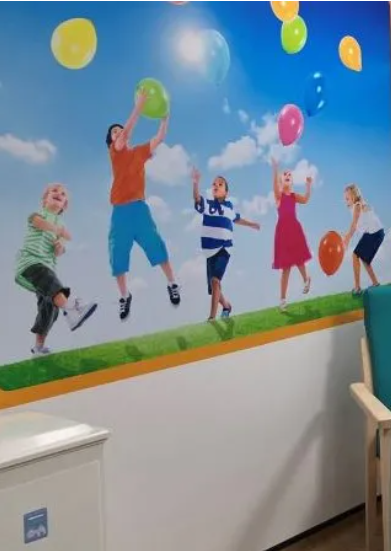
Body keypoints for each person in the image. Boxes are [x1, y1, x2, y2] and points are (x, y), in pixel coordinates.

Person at [106, 88, 178, 321]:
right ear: (112, 141)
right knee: (118, 256)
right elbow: (127, 131)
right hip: (120, 212)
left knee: (156, 245)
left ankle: (172, 283)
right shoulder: (115, 153)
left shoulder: (138, 153)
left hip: (139, 209)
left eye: (120, 130)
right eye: (115, 133)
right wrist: (139, 105)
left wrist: (165, 118)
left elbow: (160, 138)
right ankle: (124, 296)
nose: (120, 134)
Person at [14, 183, 97, 355]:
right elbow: (39, 224)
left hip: (47, 266)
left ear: (64, 205)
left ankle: (38, 347)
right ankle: (73, 310)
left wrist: (60, 246)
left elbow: (60, 249)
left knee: (48, 307)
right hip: (30, 263)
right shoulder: (38, 215)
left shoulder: (60, 225)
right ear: (44, 200)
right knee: (53, 284)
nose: (58, 193)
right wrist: (59, 231)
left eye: (63, 194)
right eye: (54, 191)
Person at [191, 168, 260, 321]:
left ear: (226, 192)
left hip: (224, 249)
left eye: (220, 184)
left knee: (216, 281)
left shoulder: (229, 208)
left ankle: (211, 318)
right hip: (209, 251)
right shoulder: (207, 205)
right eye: (214, 184)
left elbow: (238, 219)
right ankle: (227, 306)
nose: (216, 186)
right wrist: (195, 183)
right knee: (213, 288)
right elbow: (197, 199)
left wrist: (252, 224)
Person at [271, 157, 313, 311]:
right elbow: (275, 186)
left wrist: (308, 185)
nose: (287, 176)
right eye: (285, 175)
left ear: (292, 181)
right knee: (286, 268)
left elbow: (306, 199)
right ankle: (282, 300)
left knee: (299, 259)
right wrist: (275, 169)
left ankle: (306, 279)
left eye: (289, 175)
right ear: (281, 182)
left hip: (294, 230)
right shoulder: (279, 196)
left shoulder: (294, 196)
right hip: (282, 232)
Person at [342, 183, 385, 295]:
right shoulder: (355, 206)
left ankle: (357, 288)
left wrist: (347, 238)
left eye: (347, 198)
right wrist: (346, 235)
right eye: (345, 198)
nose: (345, 200)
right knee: (363, 258)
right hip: (373, 233)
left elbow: (354, 225)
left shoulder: (357, 206)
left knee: (356, 255)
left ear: (354, 196)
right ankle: (375, 283)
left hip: (375, 233)